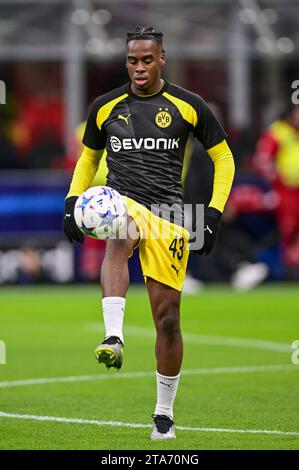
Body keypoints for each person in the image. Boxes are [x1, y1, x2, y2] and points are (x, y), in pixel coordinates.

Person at [63, 26, 235, 440]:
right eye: (131, 61)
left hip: (171, 216)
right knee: (119, 236)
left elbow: (224, 158)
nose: (138, 68)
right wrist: (72, 202)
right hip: (125, 204)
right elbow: (88, 160)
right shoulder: (105, 107)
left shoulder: (189, 106)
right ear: (126, 62)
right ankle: (114, 336)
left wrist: (212, 214)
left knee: (169, 320)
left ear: (162, 59)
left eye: (146, 59)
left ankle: (163, 414)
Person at [253, 103, 299, 270]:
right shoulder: (278, 131)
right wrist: (276, 177)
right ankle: (284, 271)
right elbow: (262, 160)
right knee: (288, 230)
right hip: (286, 191)